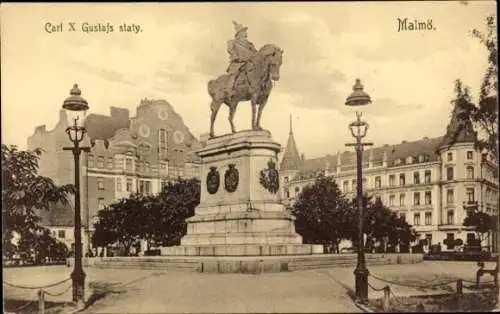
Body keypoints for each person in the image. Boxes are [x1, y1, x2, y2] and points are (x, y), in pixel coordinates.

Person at [226, 21, 258, 91]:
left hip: (249, 63)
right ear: (239, 33)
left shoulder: (250, 44)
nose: (245, 33)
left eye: (245, 31)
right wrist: (236, 57)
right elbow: (230, 50)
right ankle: (229, 90)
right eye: (243, 31)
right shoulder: (232, 42)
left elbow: (255, 52)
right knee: (234, 75)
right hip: (238, 63)